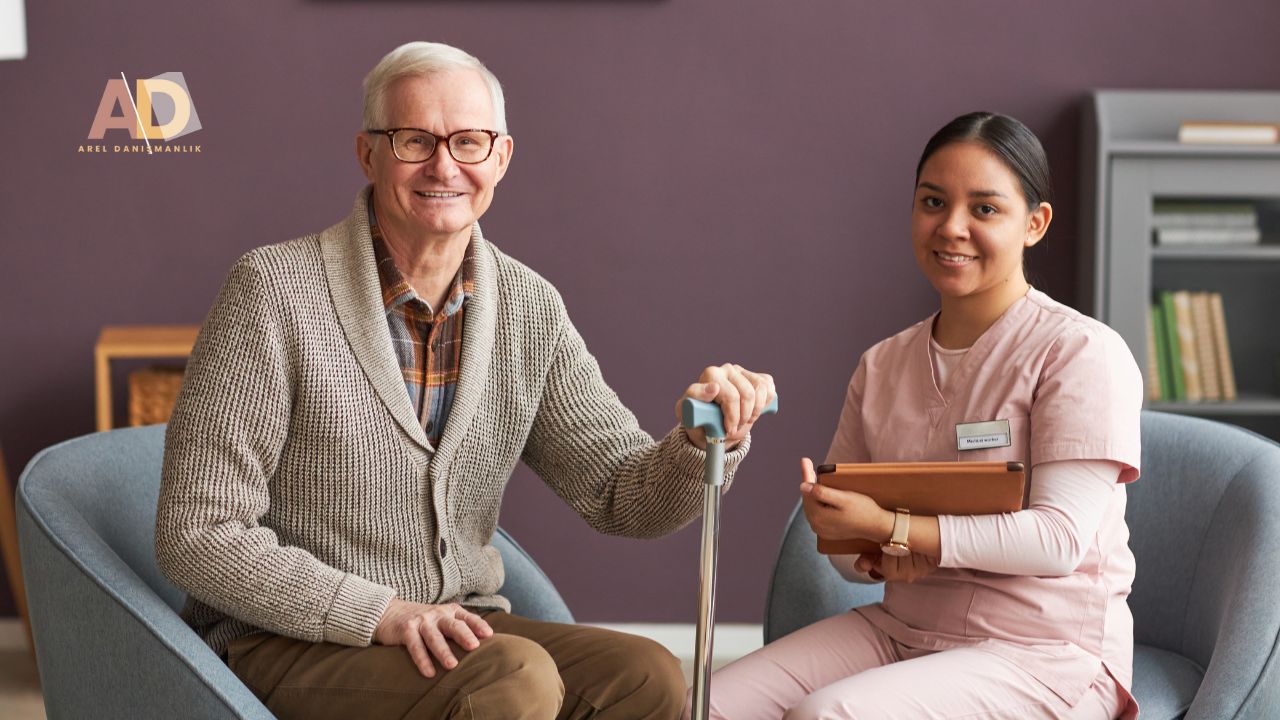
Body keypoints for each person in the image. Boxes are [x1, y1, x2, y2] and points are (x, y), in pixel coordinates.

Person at [155, 40, 777, 720]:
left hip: (454, 629)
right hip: (285, 641)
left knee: (647, 674)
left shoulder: (527, 307)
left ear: (501, 158)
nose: (444, 165)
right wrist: (382, 613)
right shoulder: (273, 290)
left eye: (469, 142)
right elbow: (199, 533)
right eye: (415, 139)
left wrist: (696, 442)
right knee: (512, 680)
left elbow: (620, 496)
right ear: (369, 153)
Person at [693, 112, 1141, 720]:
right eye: (933, 202)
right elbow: (853, 565)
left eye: (985, 209)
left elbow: (1059, 541)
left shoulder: (1081, 353)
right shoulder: (882, 365)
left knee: (829, 715)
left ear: (1034, 224)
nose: (951, 227)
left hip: (1043, 654)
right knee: (702, 704)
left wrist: (892, 526)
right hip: (904, 630)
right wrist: (851, 533)